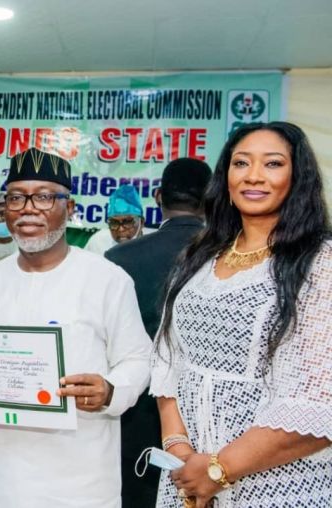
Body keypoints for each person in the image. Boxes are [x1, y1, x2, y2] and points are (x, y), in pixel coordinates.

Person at [0, 147, 152, 507]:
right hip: (0, 476)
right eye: (17, 197)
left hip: (81, 476)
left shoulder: (107, 279)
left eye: (44, 197)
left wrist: (110, 390)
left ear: (69, 208)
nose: (28, 208)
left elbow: (139, 359)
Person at [151, 122, 332, 507]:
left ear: (297, 178)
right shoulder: (198, 257)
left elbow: (321, 399)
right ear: (225, 177)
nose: (253, 176)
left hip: (277, 484)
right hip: (189, 482)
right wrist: (180, 450)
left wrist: (219, 468)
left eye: (273, 164)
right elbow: (168, 360)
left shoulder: (321, 263)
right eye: (241, 163)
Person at [104, 157, 212, 507]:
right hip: (208, 411)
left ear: (157, 197)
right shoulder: (228, 255)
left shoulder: (119, 257)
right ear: (213, 197)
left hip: (138, 408)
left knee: (136, 494)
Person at [85, 184, 154, 255]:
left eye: (128, 222)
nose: (121, 229)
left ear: (141, 222)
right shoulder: (98, 242)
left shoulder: (155, 242)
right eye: (114, 223)